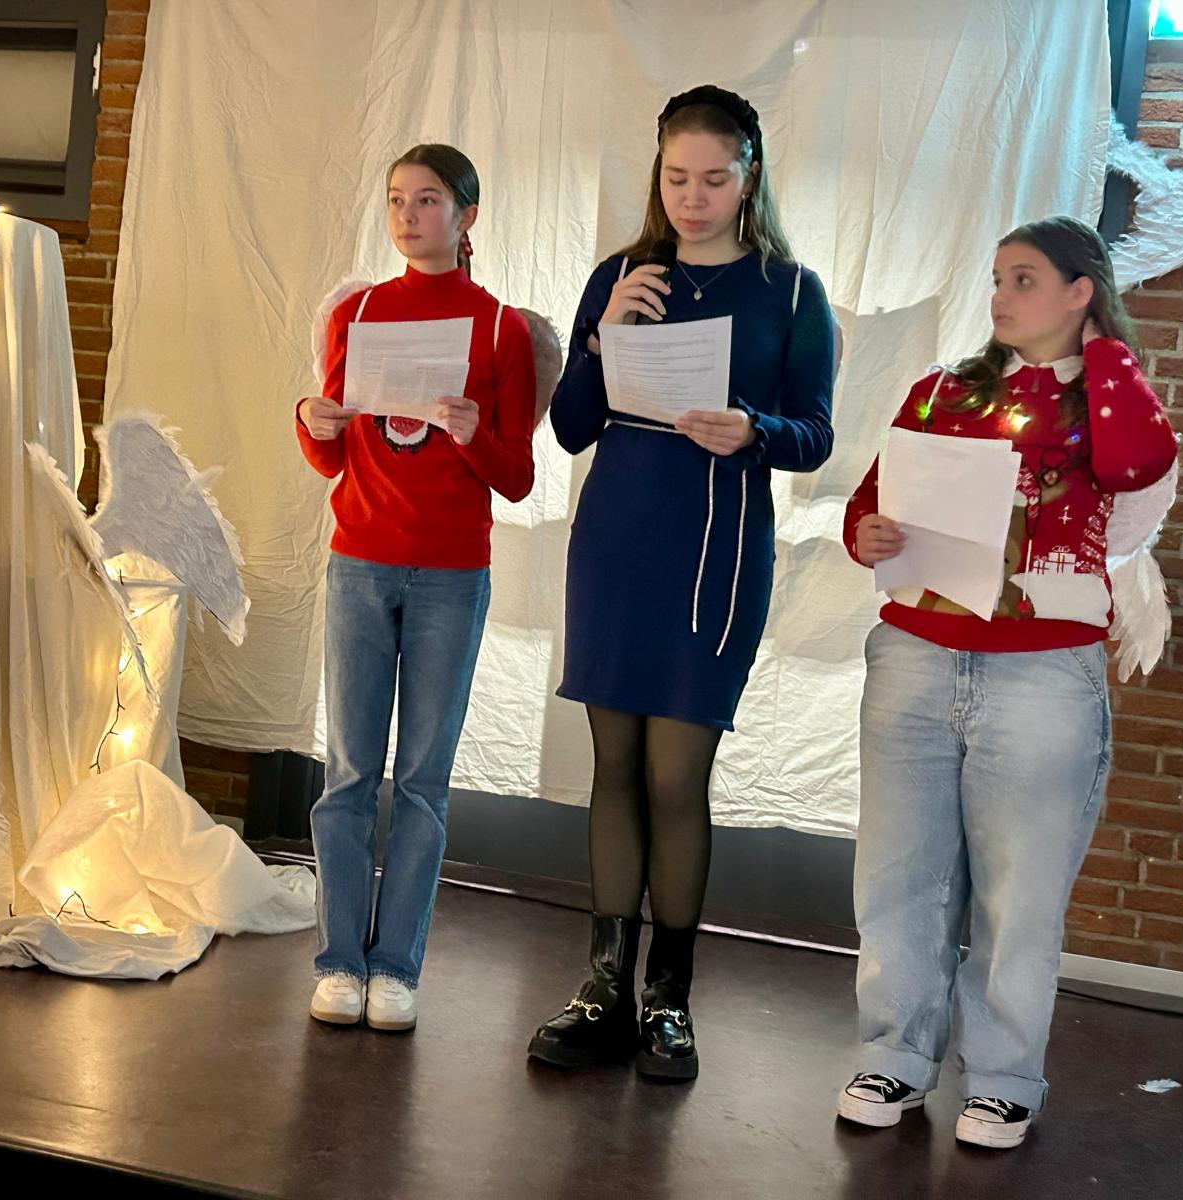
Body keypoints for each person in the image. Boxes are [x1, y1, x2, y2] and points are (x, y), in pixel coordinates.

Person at [836, 215, 1177, 1148]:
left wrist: (1103, 352)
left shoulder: (1113, 398)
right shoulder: (943, 390)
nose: (1000, 296)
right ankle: (894, 1055)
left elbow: (1138, 464)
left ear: (1080, 291)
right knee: (899, 873)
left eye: (1024, 279)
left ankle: (1002, 1077)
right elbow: (871, 507)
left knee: (1019, 888)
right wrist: (869, 534)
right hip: (917, 654)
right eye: (996, 279)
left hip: (1042, 673)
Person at [527, 85, 836, 1080]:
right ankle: (602, 987)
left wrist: (756, 428)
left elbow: (815, 434)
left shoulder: (792, 292)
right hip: (616, 542)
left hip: (713, 553)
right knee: (613, 768)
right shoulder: (619, 275)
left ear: (749, 176)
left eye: (713, 178)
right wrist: (601, 333)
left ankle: (669, 998)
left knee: (674, 777)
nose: (693, 197)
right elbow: (570, 426)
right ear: (656, 176)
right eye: (676, 178)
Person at [296, 144, 537, 1032]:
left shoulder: (502, 328)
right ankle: (339, 961)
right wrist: (311, 421)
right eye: (397, 199)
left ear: (466, 216)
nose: (408, 215)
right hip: (358, 560)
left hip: (451, 574)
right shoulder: (357, 312)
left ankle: (396, 966)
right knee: (350, 771)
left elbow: (517, 477)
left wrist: (473, 433)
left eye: (428, 200)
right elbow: (332, 457)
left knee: (424, 780)